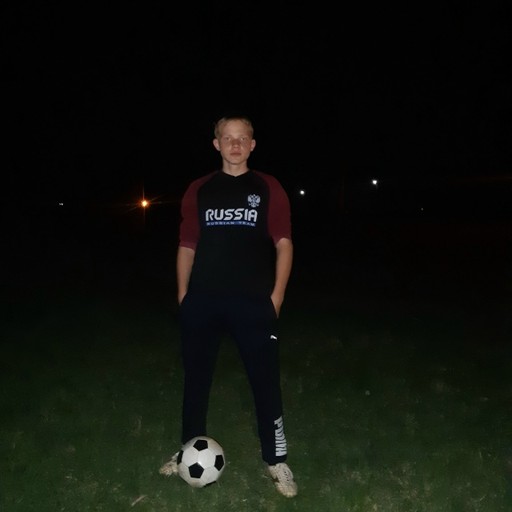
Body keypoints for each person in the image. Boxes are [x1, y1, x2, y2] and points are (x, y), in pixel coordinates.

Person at [159, 114, 297, 498]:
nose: (235, 144)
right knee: (196, 381)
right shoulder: (199, 189)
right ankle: (187, 449)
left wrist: (276, 297)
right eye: (227, 138)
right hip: (203, 301)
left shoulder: (268, 187)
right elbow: (187, 245)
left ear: (252, 144)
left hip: (253, 303)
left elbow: (284, 244)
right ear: (216, 144)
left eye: (242, 138)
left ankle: (276, 459)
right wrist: (183, 295)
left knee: (265, 383)